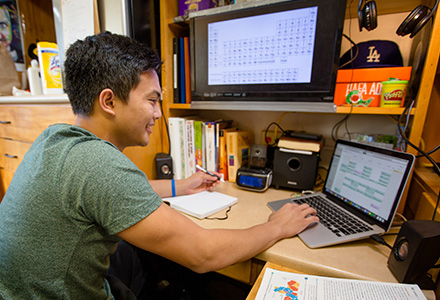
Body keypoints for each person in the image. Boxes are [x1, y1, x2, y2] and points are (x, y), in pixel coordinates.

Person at [0, 32, 318, 299]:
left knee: (140, 257)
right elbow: (204, 253)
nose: (158, 114)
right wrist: (275, 226)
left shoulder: (55, 138)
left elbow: (104, 195)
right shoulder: (99, 164)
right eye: (152, 101)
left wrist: (182, 186)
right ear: (109, 101)